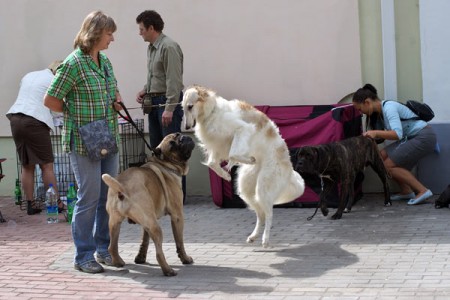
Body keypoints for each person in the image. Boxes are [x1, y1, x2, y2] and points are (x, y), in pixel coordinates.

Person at [44, 11, 122, 274]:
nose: (112, 38)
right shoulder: (73, 63)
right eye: (109, 33)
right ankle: (83, 256)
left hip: (108, 137)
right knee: (88, 198)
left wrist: (116, 101)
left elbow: (114, 91)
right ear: (95, 33)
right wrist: (74, 114)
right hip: (83, 141)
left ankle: (103, 250)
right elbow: (51, 99)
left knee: (106, 197)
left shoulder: (105, 62)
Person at [352, 83, 437, 205]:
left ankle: (422, 190)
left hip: (424, 136)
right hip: (413, 137)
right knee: (380, 156)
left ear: (367, 102)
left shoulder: (389, 108)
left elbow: (397, 134)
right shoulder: (381, 112)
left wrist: (375, 133)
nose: (361, 113)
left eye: (360, 109)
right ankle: (406, 191)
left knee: (388, 166)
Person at [135, 10, 187, 201]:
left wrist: (170, 108)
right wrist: (145, 89)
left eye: (141, 29)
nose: (139, 33)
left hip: (166, 102)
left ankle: (178, 195)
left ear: (151, 28)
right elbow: (157, 76)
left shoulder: (169, 47)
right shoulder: (152, 47)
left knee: (172, 152)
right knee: (158, 150)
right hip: (155, 102)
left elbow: (174, 79)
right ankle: (163, 193)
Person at [6, 61, 64, 215]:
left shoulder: (29, 75)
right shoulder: (55, 79)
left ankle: (30, 203)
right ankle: (56, 203)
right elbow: (56, 104)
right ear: (58, 71)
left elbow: (32, 97)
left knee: (27, 164)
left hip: (15, 118)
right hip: (34, 121)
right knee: (46, 165)